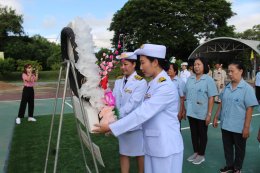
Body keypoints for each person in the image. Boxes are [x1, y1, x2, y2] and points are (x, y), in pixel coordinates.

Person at [94, 44, 184, 173]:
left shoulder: (165, 87)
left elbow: (142, 113)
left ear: (155, 62)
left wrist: (111, 126)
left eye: (142, 63)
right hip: (153, 145)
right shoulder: (154, 83)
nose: (141, 67)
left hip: (165, 148)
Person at [213, 61, 258, 173]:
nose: (230, 73)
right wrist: (216, 116)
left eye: (232, 71)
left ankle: (237, 168)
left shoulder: (247, 89)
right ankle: (229, 165)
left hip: (239, 127)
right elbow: (221, 102)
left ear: (241, 71)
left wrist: (246, 127)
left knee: (239, 149)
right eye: (229, 71)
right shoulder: (227, 87)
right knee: (227, 147)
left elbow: (249, 108)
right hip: (226, 124)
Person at [113, 52, 147, 173]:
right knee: (123, 152)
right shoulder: (118, 81)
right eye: (122, 64)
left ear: (134, 64)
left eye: (126, 64)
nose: (123, 67)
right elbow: (113, 100)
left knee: (139, 153)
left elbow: (132, 105)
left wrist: (115, 117)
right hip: (121, 124)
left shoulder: (141, 82)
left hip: (134, 125)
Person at [184, 57, 218, 165]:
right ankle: (196, 152)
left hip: (202, 112)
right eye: (195, 65)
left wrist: (209, 114)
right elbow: (186, 94)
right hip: (191, 111)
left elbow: (211, 97)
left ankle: (201, 154)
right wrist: (185, 109)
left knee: (202, 134)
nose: (196, 66)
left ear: (204, 66)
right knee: (194, 134)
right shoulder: (190, 79)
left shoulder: (208, 80)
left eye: (199, 64)